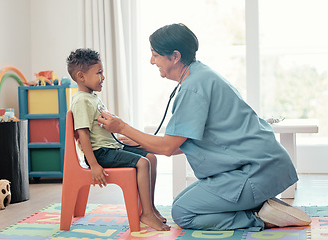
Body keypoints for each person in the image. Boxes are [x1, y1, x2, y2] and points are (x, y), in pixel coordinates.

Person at [97, 24, 312, 231]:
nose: (152, 61)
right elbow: (187, 141)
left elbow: (169, 148)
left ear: (175, 56)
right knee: (182, 200)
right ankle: (260, 205)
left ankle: (259, 218)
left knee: (182, 212)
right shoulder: (201, 75)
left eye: (155, 55)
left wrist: (122, 127)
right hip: (263, 166)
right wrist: (140, 140)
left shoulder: (193, 88)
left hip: (256, 172)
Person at [66, 48, 170, 231]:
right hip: (101, 153)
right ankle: (145, 213)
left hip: (111, 148)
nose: (103, 77)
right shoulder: (81, 100)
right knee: (143, 163)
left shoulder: (92, 98)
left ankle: (150, 208)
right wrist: (94, 165)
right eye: (99, 73)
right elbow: (82, 134)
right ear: (81, 77)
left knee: (151, 158)